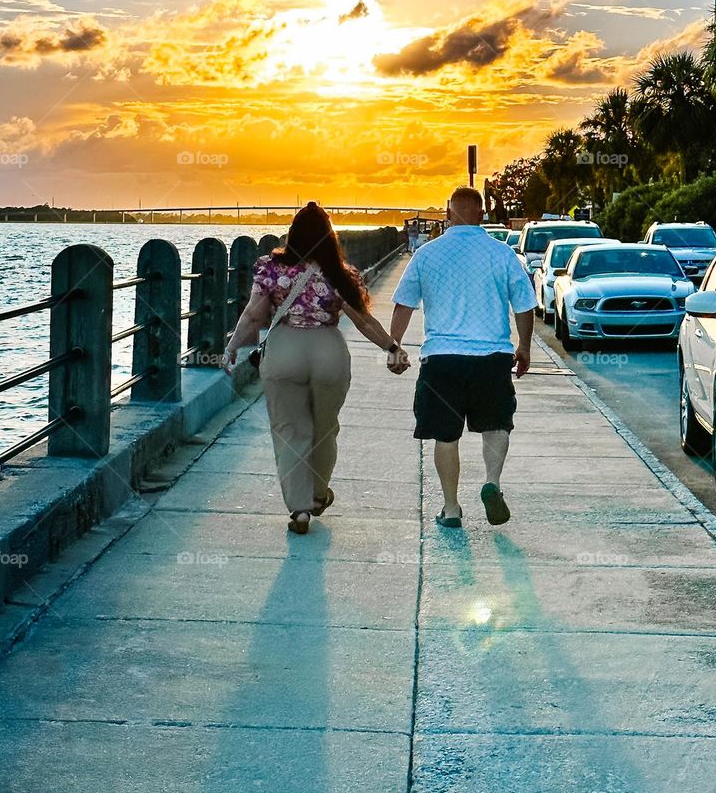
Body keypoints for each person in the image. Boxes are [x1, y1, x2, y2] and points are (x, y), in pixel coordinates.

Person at [224, 202, 410, 535]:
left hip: (284, 351)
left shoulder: (270, 268)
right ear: (330, 237)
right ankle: (318, 494)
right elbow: (363, 320)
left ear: (293, 233)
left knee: (291, 432)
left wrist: (231, 347)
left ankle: (299, 509)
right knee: (325, 430)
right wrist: (392, 348)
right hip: (328, 352)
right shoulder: (340, 273)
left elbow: (254, 315)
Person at [388, 186, 536, 528]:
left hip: (442, 359)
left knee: (445, 434)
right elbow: (524, 305)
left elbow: (404, 304)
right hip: (492, 356)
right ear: (481, 214)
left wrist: (395, 346)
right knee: (496, 424)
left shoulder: (426, 254)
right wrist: (524, 346)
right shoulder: (502, 254)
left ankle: (451, 508)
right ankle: (491, 484)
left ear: (448, 212)